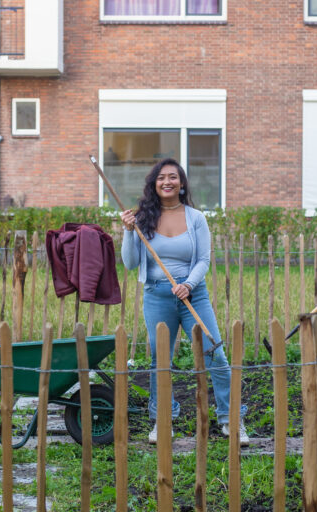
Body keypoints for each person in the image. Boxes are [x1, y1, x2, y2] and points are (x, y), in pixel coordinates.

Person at [120, 158, 249, 446]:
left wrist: (188, 284)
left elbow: (203, 259)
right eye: (161, 177)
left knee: (214, 352)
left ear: (181, 184)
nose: (167, 181)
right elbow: (129, 264)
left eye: (173, 177)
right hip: (156, 294)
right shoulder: (142, 220)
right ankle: (162, 420)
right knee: (160, 359)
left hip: (193, 294)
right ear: (154, 184)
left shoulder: (196, 218)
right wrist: (128, 231)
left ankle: (230, 418)